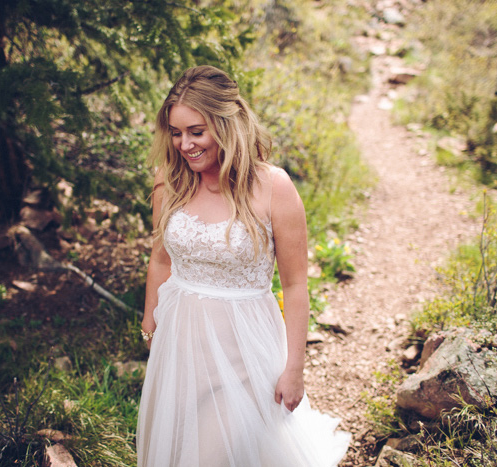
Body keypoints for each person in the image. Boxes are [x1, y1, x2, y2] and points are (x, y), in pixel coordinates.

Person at [137, 65, 350, 466]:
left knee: (219, 454)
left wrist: (295, 369)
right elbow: (160, 257)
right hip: (180, 341)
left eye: (196, 132)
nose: (184, 144)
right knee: (180, 447)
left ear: (226, 124)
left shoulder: (274, 188)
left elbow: (296, 285)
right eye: (176, 132)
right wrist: (151, 321)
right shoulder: (169, 181)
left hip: (244, 347)